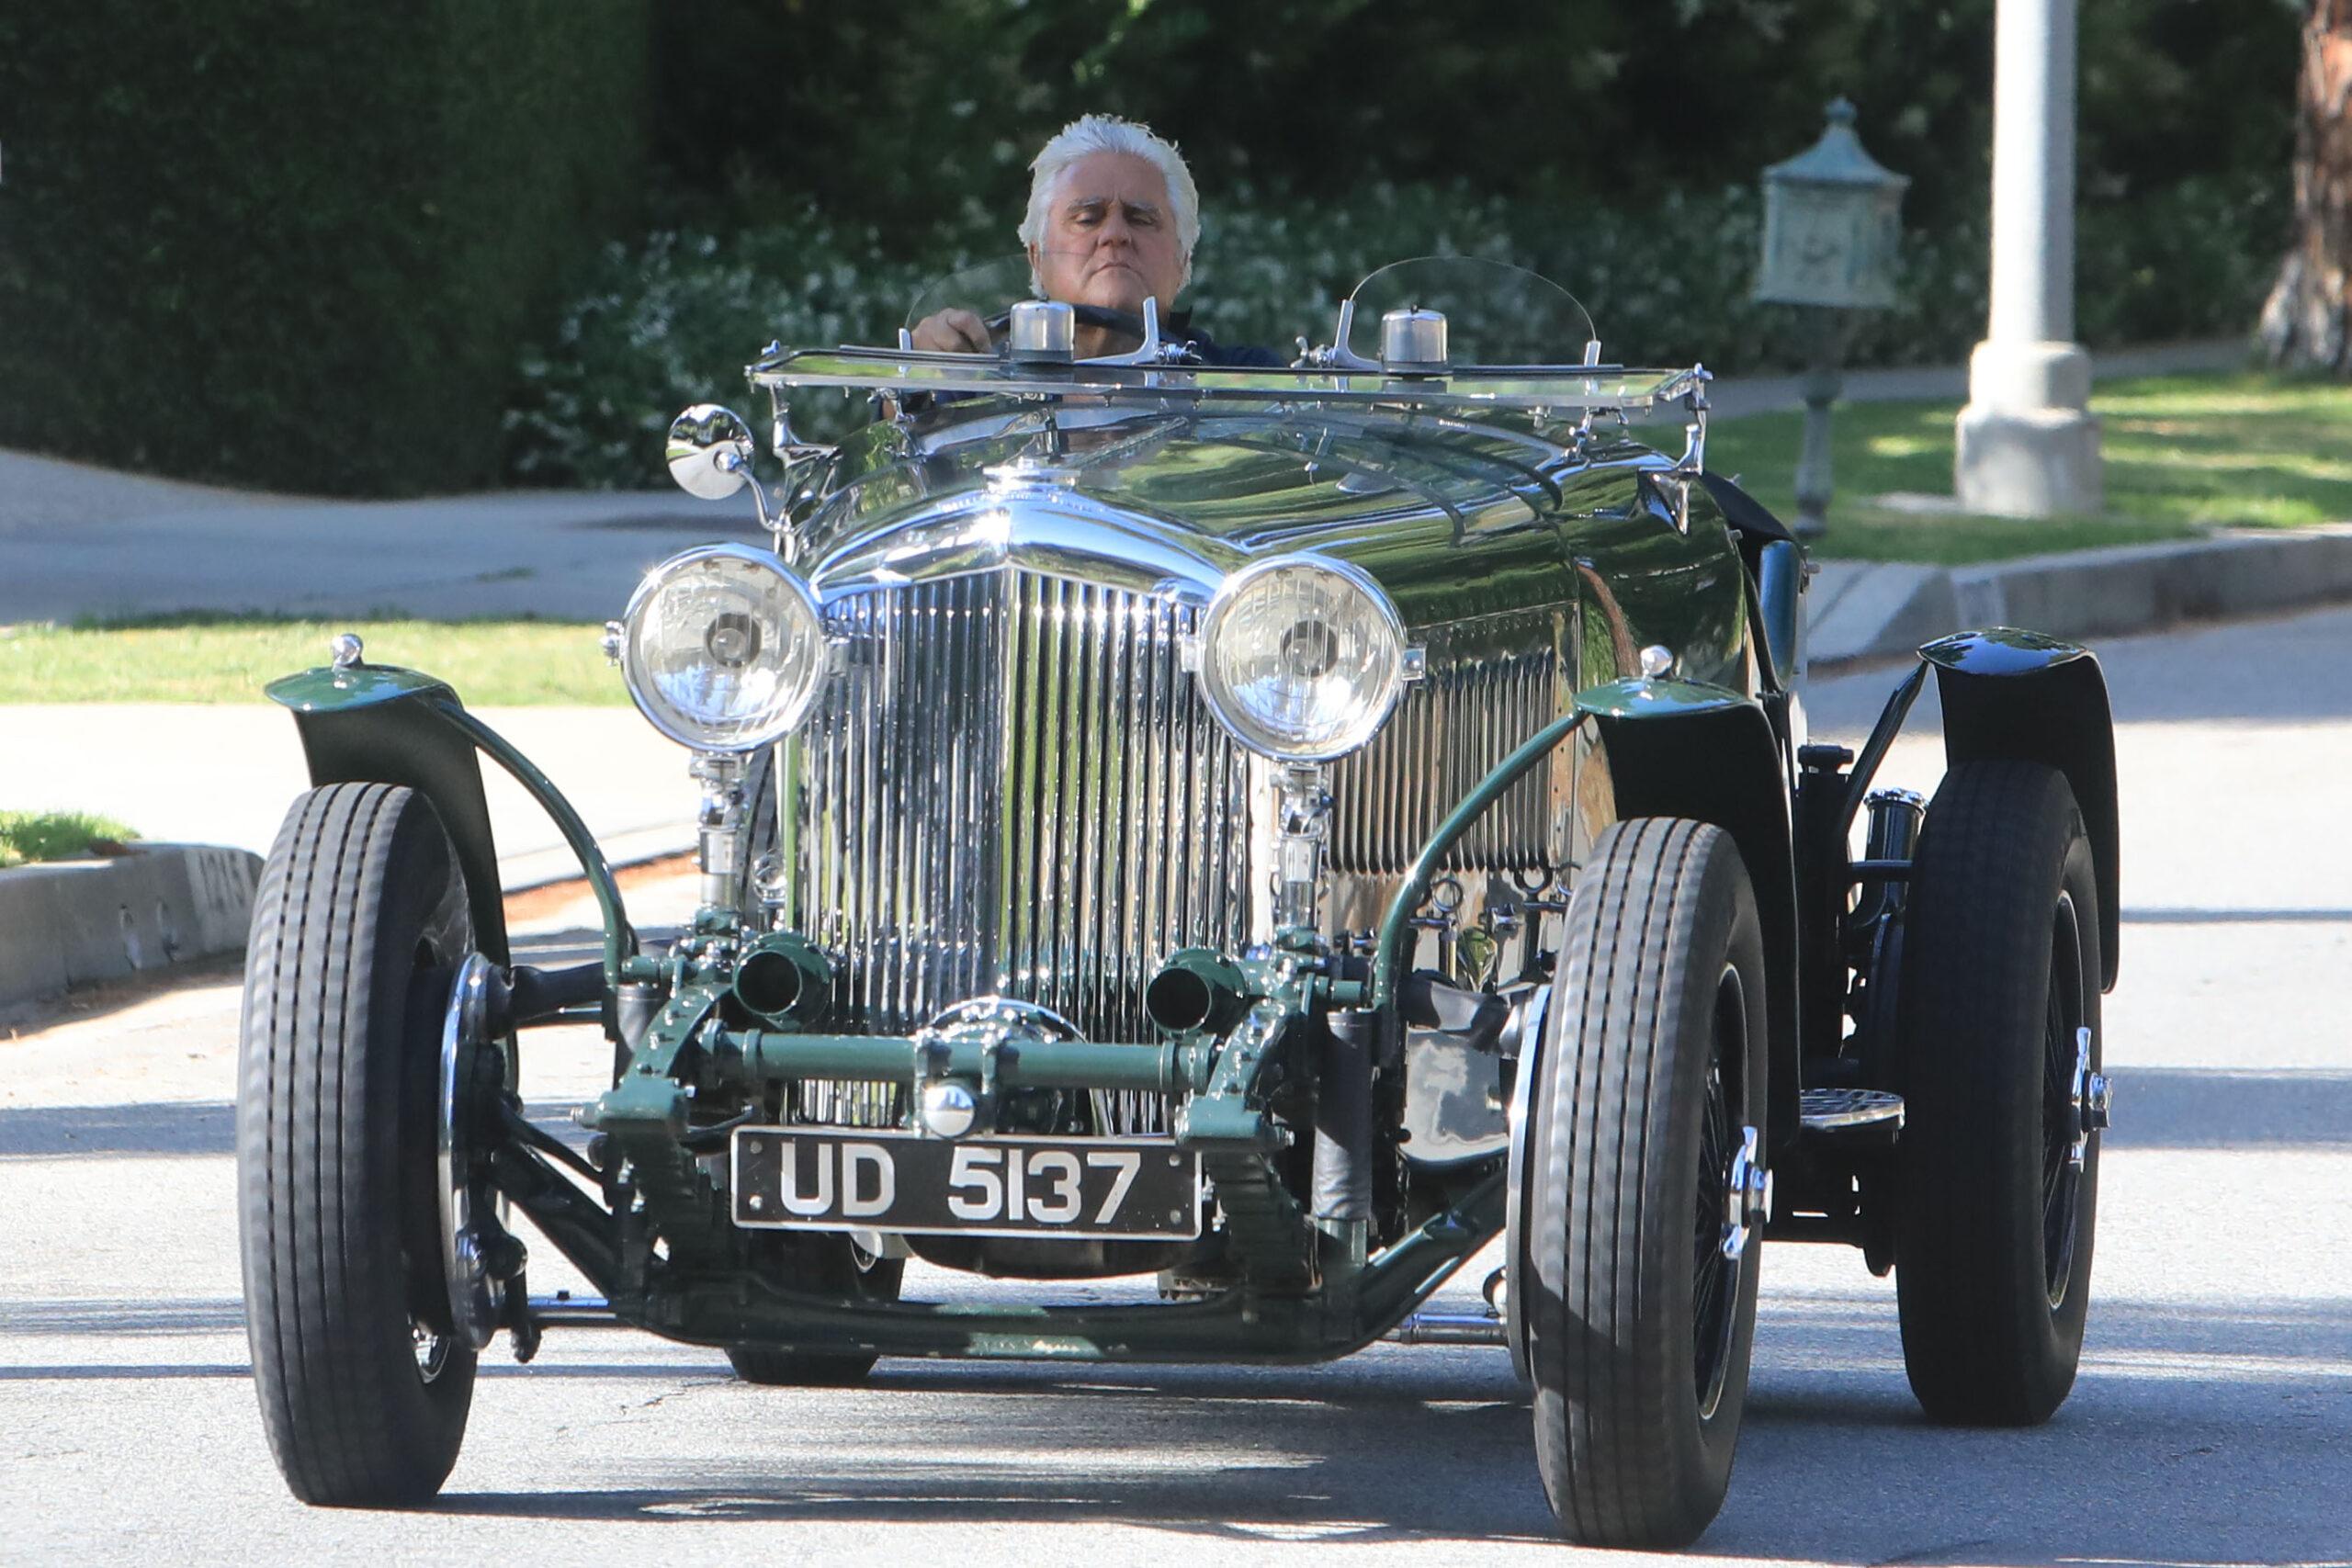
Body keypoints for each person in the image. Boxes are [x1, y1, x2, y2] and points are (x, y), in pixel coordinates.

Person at [911, 115, 1280, 366]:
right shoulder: (980, 376)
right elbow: (898, 435)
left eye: (1141, 219)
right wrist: (919, 372)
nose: (1116, 235)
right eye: (1088, 218)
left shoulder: (1247, 382)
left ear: (1183, 258)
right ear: (1037, 257)